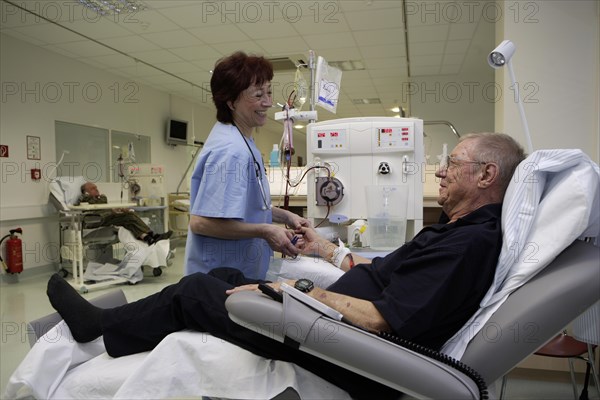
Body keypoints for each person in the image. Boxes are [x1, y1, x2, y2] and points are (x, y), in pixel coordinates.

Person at [47, 132, 526, 398]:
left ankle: (99, 328)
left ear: (486, 174)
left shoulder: (470, 244)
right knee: (223, 277)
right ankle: (131, 328)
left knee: (193, 290)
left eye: (452, 162)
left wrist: (295, 295)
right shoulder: (453, 231)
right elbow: (378, 275)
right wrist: (324, 250)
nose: (440, 170)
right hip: (336, 322)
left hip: (345, 348)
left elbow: (382, 319)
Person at [184, 51, 309, 280]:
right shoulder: (230, 151)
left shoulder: (244, 140)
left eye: (269, 92)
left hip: (239, 271)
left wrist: (284, 217)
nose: (268, 102)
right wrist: (266, 230)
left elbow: (241, 208)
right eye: (258, 94)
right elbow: (201, 223)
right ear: (231, 101)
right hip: (218, 280)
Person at [77, 182, 172, 246]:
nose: (97, 189)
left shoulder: (98, 198)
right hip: (97, 220)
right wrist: (113, 211)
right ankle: (153, 235)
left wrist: (116, 210)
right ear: (86, 192)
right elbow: (97, 205)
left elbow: (102, 206)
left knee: (129, 219)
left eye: (96, 187)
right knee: (129, 216)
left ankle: (148, 238)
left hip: (106, 217)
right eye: (93, 188)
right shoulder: (85, 199)